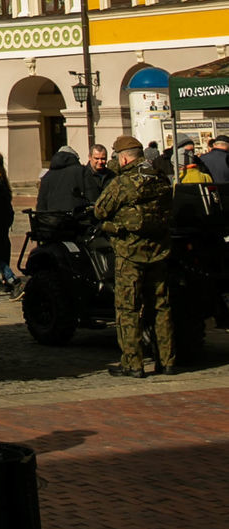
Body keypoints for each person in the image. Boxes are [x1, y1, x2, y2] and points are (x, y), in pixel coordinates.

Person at [94, 133, 174, 378]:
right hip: (159, 251)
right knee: (161, 307)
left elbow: (100, 210)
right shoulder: (159, 178)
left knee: (128, 308)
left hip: (130, 254)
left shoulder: (123, 183)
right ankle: (167, 361)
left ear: (125, 159)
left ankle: (133, 363)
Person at [36, 147, 88, 213]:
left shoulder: (46, 176)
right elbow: (91, 196)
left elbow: (41, 204)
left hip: (52, 219)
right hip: (75, 218)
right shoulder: (81, 171)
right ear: (74, 158)